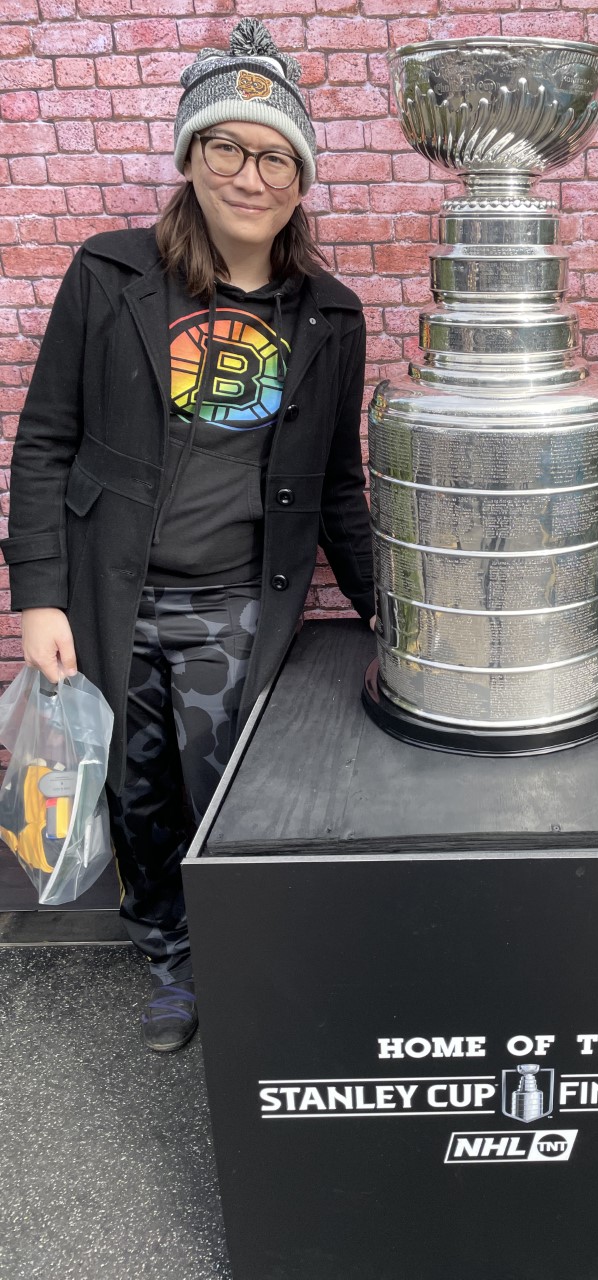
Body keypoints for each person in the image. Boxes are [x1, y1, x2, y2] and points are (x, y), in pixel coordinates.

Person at [1, 20, 375, 1052]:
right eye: (226, 147)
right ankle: (168, 958)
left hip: (238, 609)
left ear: (300, 178)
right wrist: (39, 597)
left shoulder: (329, 318)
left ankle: (244, 966)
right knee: (137, 792)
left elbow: (339, 487)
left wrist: (396, 615)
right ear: (190, 156)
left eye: (273, 156)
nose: (248, 175)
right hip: (110, 601)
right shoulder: (110, 276)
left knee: (232, 801)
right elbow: (44, 444)